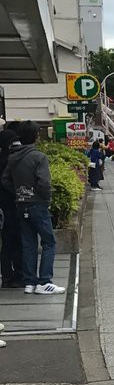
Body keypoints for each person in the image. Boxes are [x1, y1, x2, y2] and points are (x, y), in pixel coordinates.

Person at [1, 121, 64, 295]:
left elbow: (5, 180)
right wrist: (45, 198)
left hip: (20, 203)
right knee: (48, 242)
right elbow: (44, 182)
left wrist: (19, 191)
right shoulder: (38, 157)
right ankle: (44, 281)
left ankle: (29, 282)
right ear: (36, 136)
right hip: (37, 204)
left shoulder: (13, 156)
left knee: (28, 243)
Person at [0, 123, 23, 288]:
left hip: (3, 208)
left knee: (6, 243)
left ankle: (6, 275)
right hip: (13, 206)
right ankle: (18, 275)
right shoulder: (12, 161)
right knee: (17, 241)